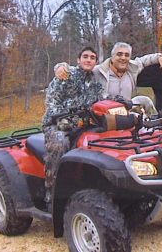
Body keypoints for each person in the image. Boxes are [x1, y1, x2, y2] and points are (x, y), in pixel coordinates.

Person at [42, 46, 103, 209]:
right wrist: (63, 119)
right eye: (85, 56)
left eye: (92, 57)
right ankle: (52, 193)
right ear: (78, 60)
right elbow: (51, 102)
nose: (88, 60)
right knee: (60, 144)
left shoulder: (95, 81)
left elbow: (101, 101)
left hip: (84, 124)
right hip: (57, 124)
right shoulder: (66, 75)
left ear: (96, 62)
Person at [54, 42, 162, 100]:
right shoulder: (99, 71)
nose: (123, 58)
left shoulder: (133, 68)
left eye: (126, 55)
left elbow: (143, 60)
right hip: (103, 120)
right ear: (112, 56)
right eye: (119, 54)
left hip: (126, 118)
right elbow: (79, 69)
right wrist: (60, 67)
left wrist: (158, 57)